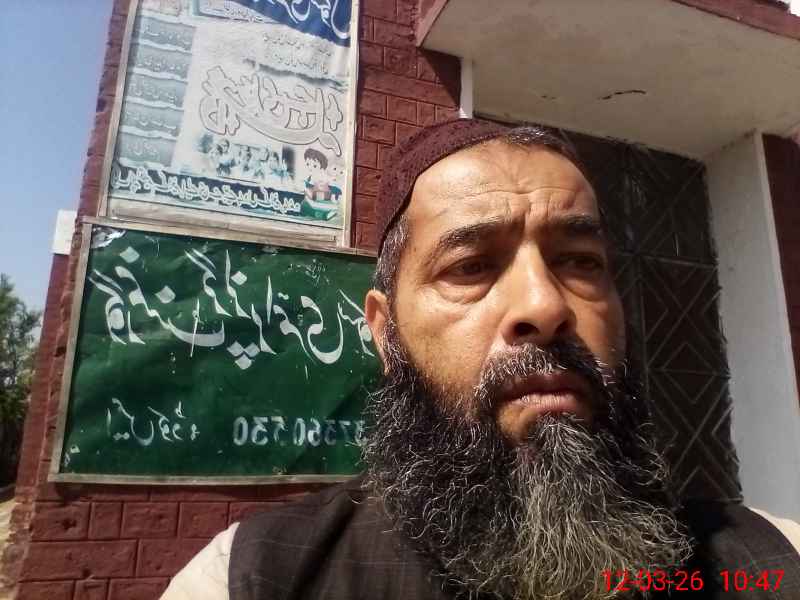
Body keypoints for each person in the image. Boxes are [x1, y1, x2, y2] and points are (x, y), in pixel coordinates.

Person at [162, 119, 800, 600]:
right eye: (470, 267)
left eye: (581, 262)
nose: (545, 305)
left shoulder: (769, 561)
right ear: (386, 333)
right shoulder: (252, 577)